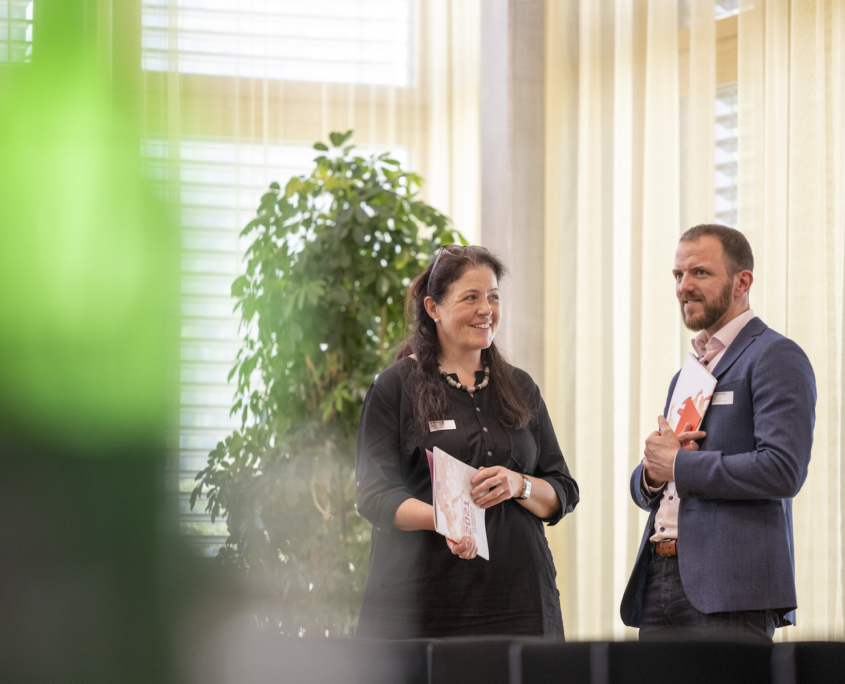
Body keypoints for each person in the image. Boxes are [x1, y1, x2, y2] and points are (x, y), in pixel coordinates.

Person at [355, 245, 579, 639]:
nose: (486, 310)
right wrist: (444, 520)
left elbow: (563, 490)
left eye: (493, 296)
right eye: (470, 298)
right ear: (433, 308)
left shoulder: (521, 386)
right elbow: (374, 495)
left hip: (521, 599)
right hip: (425, 602)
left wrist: (519, 484)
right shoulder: (395, 387)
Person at [620, 224, 816, 642]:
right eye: (678, 275)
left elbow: (782, 470)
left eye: (699, 273)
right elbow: (660, 475)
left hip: (731, 588)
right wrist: (651, 474)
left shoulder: (775, 355)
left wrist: (678, 464)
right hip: (659, 579)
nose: (683, 286)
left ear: (742, 282)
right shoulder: (687, 375)